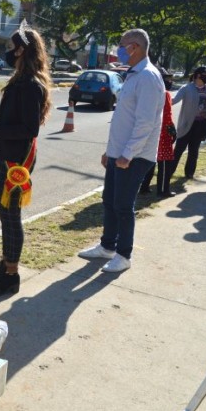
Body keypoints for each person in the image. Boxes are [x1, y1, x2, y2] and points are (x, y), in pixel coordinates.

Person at [0, 21, 52, 295]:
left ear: (21, 51)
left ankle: (10, 274)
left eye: (11, 47)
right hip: (8, 155)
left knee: (10, 217)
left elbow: (28, 129)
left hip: (15, 162)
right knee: (6, 215)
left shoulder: (30, 84)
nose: (8, 51)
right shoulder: (22, 81)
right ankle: (7, 265)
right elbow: (15, 120)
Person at [78, 28, 165, 273]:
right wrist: (111, 151)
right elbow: (123, 119)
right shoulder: (133, 74)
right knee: (110, 201)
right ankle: (107, 246)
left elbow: (145, 122)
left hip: (135, 155)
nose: (119, 50)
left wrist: (128, 153)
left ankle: (123, 255)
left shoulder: (148, 76)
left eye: (122, 45)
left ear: (134, 47)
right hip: (120, 152)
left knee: (124, 206)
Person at [168, 66, 206, 182]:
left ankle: (189, 173)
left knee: (194, 151)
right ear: (198, 75)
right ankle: (168, 173)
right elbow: (174, 100)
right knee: (178, 150)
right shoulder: (187, 88)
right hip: (187, 124)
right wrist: (163, 98)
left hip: (201, 125)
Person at [139, 68, 176, 198]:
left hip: (151, 131)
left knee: (150, 159)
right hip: (162, 132)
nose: (170, 81)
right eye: (167, 79)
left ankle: (144, 187)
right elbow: (167, 115)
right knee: (164, 162)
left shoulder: (149, 92)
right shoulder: (165, 94)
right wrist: (171, 129)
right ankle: (163, 190)